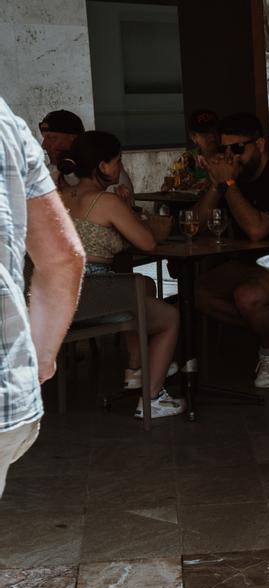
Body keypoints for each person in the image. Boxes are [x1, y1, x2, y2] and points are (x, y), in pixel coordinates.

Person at [58, 131, 183, 419]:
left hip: (60, 295)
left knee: (145, 287)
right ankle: (152, 398)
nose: (120, 167)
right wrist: (127, 207)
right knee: (169, 317)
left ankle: (136, 369)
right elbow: (148, 242)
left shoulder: (59, 195)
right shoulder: (105, 201)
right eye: (117, 161)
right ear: (102, 166)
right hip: (93, 294)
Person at [0, 95, 86, 497]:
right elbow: (64, 258)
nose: (48, 142)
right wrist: (37, 359)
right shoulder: (8, 126)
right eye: (45, 135)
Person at [193, 112, 269, 389]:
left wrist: (230, 184)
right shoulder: (234, 176)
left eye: (238, 148)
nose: (231, 156)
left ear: (260, 145)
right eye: (224, 149)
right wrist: (215, 184)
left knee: (248, 297)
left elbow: (257, 229)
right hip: (246, 263)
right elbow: (195, 226)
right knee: (196, 294)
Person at [39, 109, 135, 205]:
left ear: (74, 139)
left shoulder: (104, 174)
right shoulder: (49, 172)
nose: (44, 145)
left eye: (52, 138)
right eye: (45, 138)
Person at [162, 109, 219, 191]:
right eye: (204, 133)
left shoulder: (229, 155)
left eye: (214, 131)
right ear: (193, 137)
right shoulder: (187, 158)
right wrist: (169, 186)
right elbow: (174, 182)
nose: (212, 136)